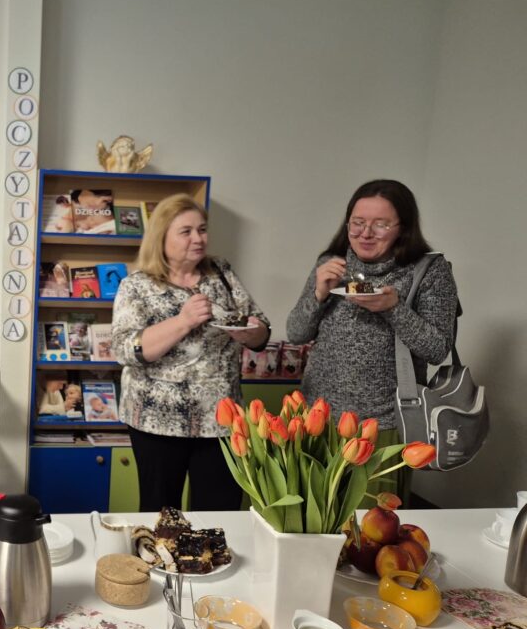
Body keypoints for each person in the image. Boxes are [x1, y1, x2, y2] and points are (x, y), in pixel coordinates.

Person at [286, 179, 458, 497]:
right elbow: (296, 333)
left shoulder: (429, 271)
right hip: (317, 417)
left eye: (380, 224)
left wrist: (393, 308)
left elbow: (437, 349)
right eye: (358, 222)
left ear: (403, 229)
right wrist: (318, 294)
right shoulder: (331, 263)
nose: (365, 233)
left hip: (382, 424)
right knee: (310, 517)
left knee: (370, 521)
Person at [112, 193, 270, 511]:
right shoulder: (137, 285)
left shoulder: (221, 272)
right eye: (186, 231)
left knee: (220, 513)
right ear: (161, 237)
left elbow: (261, 331)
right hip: (157, 421)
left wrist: (251, 332)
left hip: (220, 419)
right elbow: (125, 349)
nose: (198, 239)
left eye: (202, 229)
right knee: (161, 514)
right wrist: (182, 322)